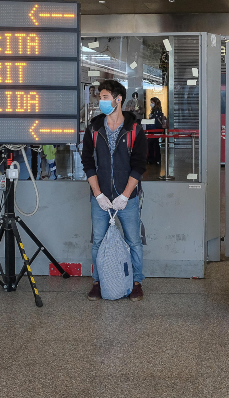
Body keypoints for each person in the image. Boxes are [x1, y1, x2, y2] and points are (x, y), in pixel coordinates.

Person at [81, 80, 148, 301]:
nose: (101, 101)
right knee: (98, 241)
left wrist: (125, 196)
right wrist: (98, 194)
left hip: (126, 197)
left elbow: (139, 166)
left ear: (118, 99)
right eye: (100, 98)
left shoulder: (135, 129)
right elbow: (88, 163)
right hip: (100, 197)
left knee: (134, 241)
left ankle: (136, 281)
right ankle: (98, 282)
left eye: (105, 97)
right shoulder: (93, 128)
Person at [146, 97, 166, 165]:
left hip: (155, 129)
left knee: (152, 144)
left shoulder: (157, 111)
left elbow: (155, 121)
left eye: (152, 102)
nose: (151, 104)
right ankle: (155, 159)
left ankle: (154, 159)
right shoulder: (155, 110)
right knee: (154, 144)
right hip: (153, 129)